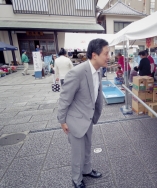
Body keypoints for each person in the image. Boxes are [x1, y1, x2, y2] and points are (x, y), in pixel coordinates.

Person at [57, 39, 109, 188]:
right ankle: (76, 179)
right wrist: (62, 121)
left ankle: (86, 170)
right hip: (75, 120)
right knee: (77, 152)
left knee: (87, 147)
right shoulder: (77, 72)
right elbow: (64, 98)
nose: (108, 56)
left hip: (88, 117)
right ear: (94, 55)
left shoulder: (98, 71)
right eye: (106, 53)